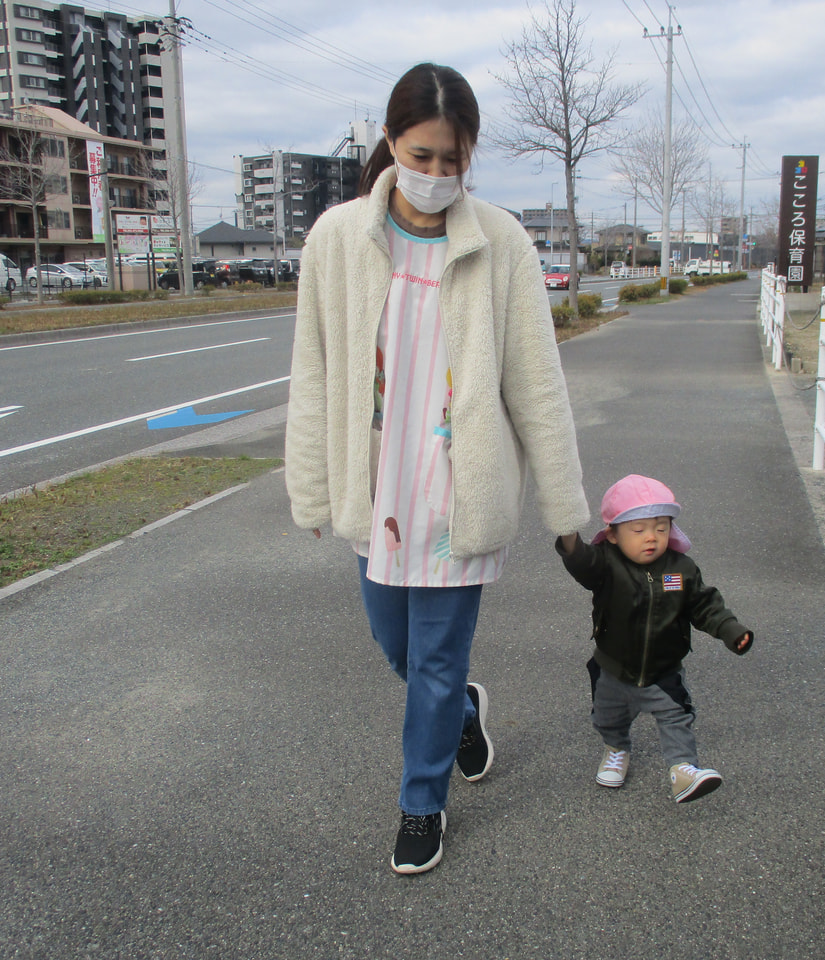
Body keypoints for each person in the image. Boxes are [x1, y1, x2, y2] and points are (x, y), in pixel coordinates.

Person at [285, 62, 589, 875]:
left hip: (463, 490)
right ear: (389, 142)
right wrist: (311, 487)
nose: (435, 174)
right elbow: (314, 371)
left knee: (437, 659)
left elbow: (537, 383)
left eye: (452, 159)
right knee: (398, 648)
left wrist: (566, 512)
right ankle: (458, 715)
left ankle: (422, 803)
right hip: (378, 485)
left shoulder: (502, 241)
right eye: (421, 155)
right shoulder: (338, 238)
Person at [555, 474, 753, 803]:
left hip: (664, 670)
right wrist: (567, 529)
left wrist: (731, 630)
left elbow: (705, 605)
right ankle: (616, 749)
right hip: (613, 669)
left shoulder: (681, 568)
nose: (652, 537)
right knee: (607, 718)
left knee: (677, 716)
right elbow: (579, 559)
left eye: (661, 529)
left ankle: (683, 769)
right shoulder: (605, 564)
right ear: (613, 535)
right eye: (639, 530)